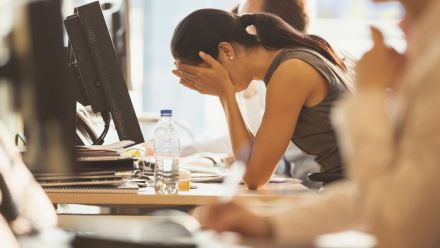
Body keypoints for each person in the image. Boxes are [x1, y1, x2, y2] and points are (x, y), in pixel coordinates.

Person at [201, 0, 440, 247]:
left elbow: (402, 224)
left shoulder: (294, 67)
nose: (244, 28)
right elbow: (368, 194)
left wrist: (371, 95)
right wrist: (269, 224)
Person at [171, 9, 352, 189]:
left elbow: (254, 177)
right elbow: (250, 160)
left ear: (226, 51)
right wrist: (225, 92)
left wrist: (225, 93)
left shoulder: (291, 71)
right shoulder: (287, 64)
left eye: (205, 74)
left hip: (354, 192)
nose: (203, 85)